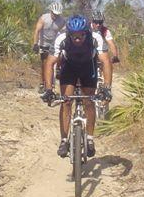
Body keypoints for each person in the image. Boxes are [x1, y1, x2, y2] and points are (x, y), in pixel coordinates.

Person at [40, 15, 112, 158]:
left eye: (80, 36)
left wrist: (107, 88)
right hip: (69, 69)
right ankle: (64, 140)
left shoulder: (95, 37)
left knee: (89, 102)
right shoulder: (61, 38)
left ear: (86, 32)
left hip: (88, 68)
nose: (77, 39)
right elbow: (49, 63)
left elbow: (105, 62)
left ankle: (90, 139)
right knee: (66, 102)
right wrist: (49, 89)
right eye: (74, 36)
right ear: (69, 34)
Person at [32, 2, 66, 93]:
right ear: (50, 11)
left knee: (59, 57)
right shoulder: (44, 18)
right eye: (54, 14)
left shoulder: (62, 21)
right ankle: (42, 83)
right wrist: (35, 44)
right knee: (44, 64)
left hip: (54, 43)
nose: (55, 16)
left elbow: (64, 33)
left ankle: (58, 70)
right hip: (43, 43)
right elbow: (37, 31)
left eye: (58, 14)